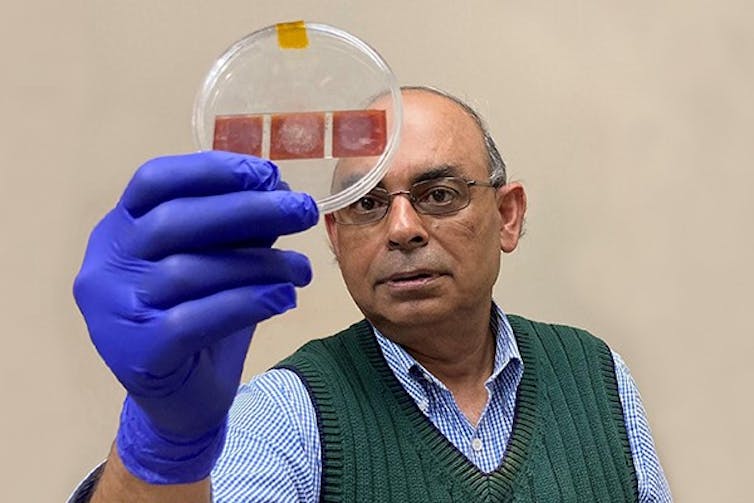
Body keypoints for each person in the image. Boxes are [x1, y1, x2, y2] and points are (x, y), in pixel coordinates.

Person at [70, 87, 671, 502]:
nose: (402, 228)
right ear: (335, 235)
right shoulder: (290, 413)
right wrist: (163, 442)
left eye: (438, 194)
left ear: (508, 215)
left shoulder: (597, 376)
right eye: (367, 204)